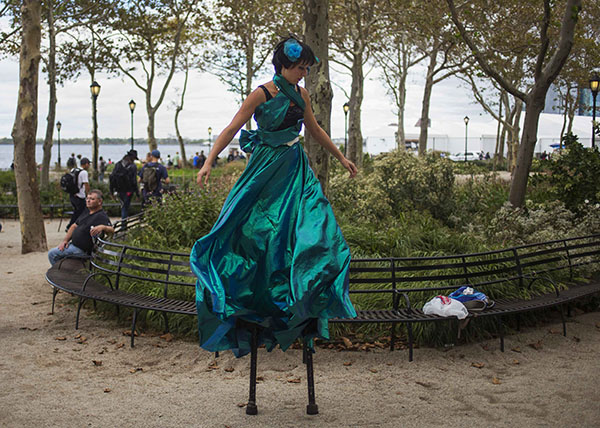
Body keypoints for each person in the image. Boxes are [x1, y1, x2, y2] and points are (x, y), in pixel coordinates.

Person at [190, 36, 358, 358]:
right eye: (299, 68)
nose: (304, 74)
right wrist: (209, 161)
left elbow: (315, 130)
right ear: (284, 65)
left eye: (306, 69)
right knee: (253, 230)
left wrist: (341, 157)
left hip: (295, 168)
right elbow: (230, 129)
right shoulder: (262, 94)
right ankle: (257, 298)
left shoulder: (302, 94)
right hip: (265, 170)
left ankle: (301, 292)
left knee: (315, 222)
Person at [48, 189, 114, 266]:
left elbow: (112, 230)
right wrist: (65, 241)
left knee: (52, 254)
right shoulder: (87, 211)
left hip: (82, 251)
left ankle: (59, 275)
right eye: (87, 198)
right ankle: (64, 271)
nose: (88, 201)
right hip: (73, 245)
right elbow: (74, 226)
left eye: (92, 199)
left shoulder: (101, 216)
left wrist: (103, 227)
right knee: (56, 252)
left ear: (99, 202)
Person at [109, 149, 139, 219]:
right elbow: (134, 181)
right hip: (129, 190)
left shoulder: (118, 164)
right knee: (125, 207)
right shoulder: (132, 166)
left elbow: (112, 177)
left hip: (119, 189)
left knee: (123, 206)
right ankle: (123, 224)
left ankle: (123, 222)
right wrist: (137, 193)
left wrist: (111, 191)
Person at [65, 157, 90, 232]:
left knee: (77, 211)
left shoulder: (74, 170)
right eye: (88, 164)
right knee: (80, 212)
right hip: (80, 196)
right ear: (85, 164)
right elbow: (86, 184)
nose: (89, 166)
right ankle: (71, 226)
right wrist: (88, 194)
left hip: (72, 195)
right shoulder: (84, 172)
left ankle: (75, 226)